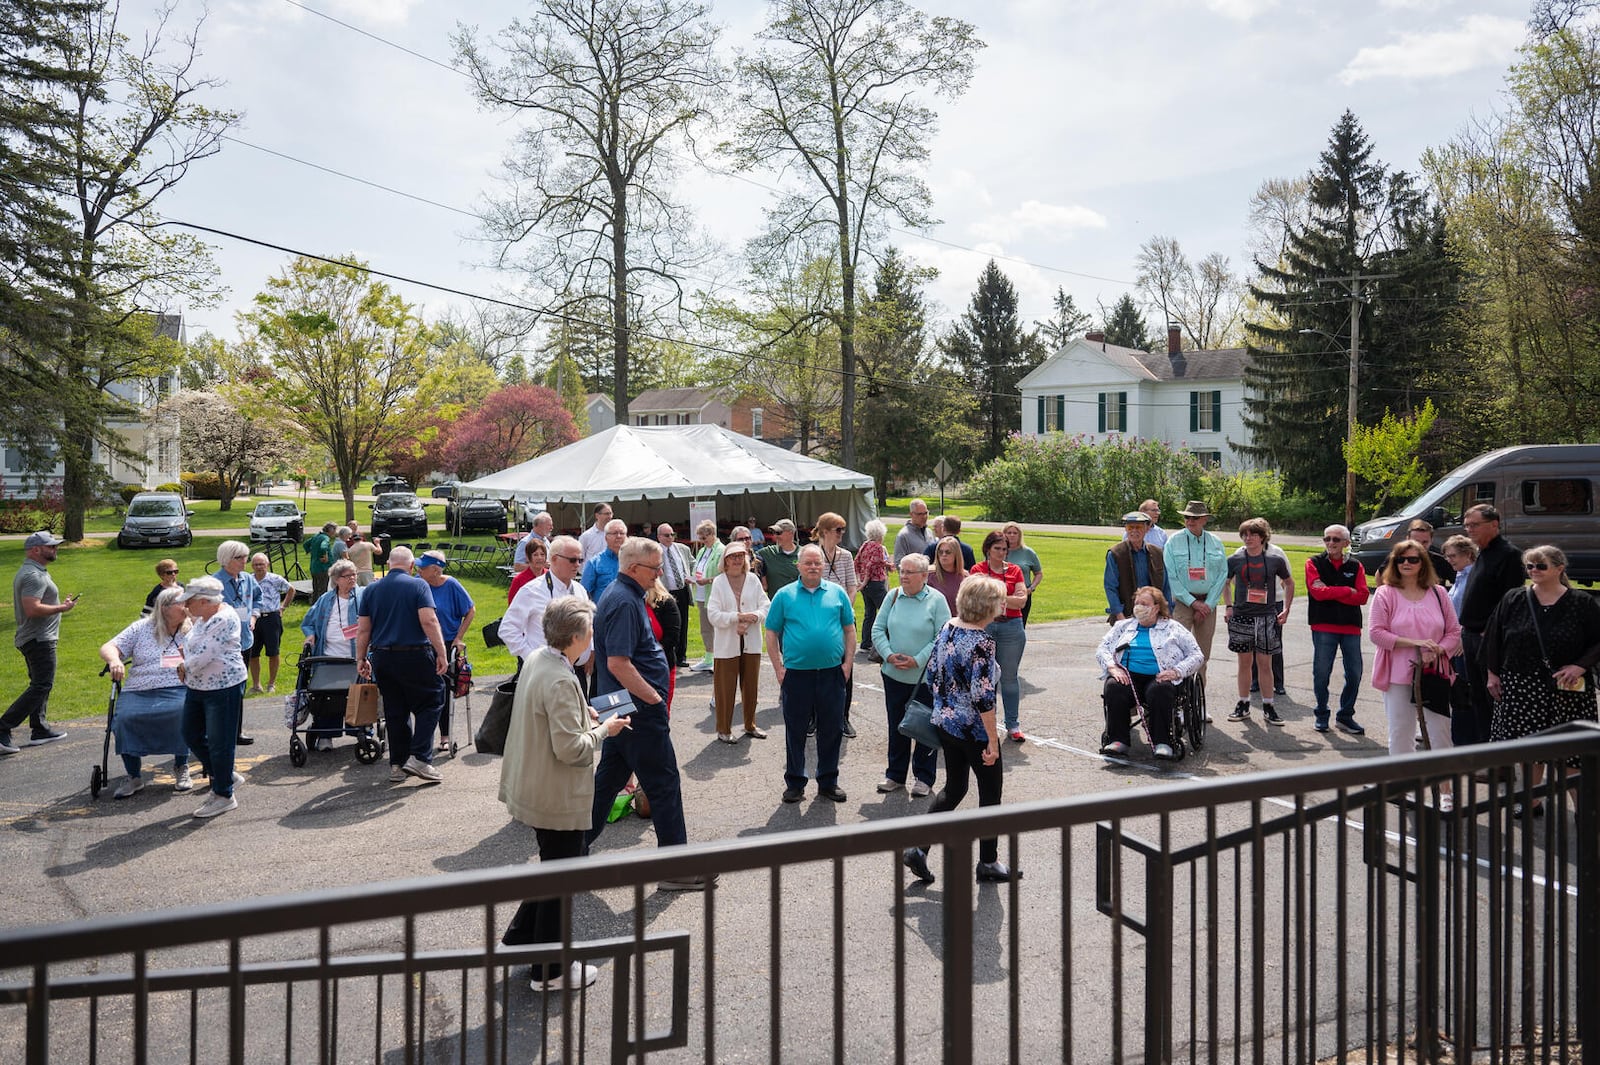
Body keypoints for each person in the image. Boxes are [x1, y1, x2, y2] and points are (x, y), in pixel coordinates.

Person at [498, 597, 631, 991]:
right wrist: (605, 729)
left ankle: (520, 940)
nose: (592, 636)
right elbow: (572, 750)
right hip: (556, 794)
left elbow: (551, 714)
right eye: (589, 630)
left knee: (551, 869)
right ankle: (550, 971)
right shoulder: (560, 677)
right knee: (561, 878)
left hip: (535, 784)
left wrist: (583, 714)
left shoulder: (540, 657)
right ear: (576, 636)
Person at [586, 538, 708, 890]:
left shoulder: (622, 594)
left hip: (618, 703)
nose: (659, 573)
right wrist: (654, 698)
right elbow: (618, 663)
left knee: (608, 781)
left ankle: (570, 854)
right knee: (664, 783)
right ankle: (675, 869)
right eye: (654, 568)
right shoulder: (624, 600)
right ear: (633, 568)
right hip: (635, 707)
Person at [901, 575, 1019, 885]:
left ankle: (919, 848)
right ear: (986, 606)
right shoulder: (982, 641)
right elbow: (983, 698)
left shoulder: (948, 627)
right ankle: (988, 862)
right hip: (972, 730)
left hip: (945, 723)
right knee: (990, 794)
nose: (1003, 604)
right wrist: (993, 740)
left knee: (955, 788)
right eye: (999, 600)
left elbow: (933, 676)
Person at [1483, 545, 1600, 816]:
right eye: (1530, 566)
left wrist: (1580, 666)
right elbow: (1494, 638)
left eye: (1541, 566)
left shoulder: (1580, 603)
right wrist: (1492, 673)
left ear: (1560, 568)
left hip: (1567, 689)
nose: (1534, 571)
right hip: (1521, 686)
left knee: (1571, 753)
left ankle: (1585, 809)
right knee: (1528, 750)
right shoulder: (1514, 598)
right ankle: (1531, 801)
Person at [1369, 539, 1462, 809]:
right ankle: (1403, 786)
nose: (1407, 564)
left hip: (1434, 673)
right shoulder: (1386, 593)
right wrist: (1416, 644)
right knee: (1401, 732)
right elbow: (1376, 633)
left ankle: (1445, 790)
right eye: (1401, 560)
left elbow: (1454, 633)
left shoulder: (1438, 593)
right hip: (1398, 672)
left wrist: (1438, 650)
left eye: (1413, 559)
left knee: (1439, 732)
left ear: (1424, 563)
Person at [766, 544, 856, 805]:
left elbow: (849, 630)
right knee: (795, 730)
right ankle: (795, 782)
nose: (814, 567)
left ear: (823, 566)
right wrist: (778, 668)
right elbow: (771, 633)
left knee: (832, 729)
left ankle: (828, 781)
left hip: (831, 674)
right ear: (799, 565)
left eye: (817, 563)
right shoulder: (784, 596)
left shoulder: (837, 593)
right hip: (797, 675)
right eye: (808, 563)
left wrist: (847, 664)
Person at [355, 546, 449, 785]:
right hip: (415, 653)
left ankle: (397, 764)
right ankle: (419, 756)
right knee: (432, 701)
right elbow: (429, 620)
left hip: (382, 656)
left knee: (395, 710)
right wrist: (441, 652)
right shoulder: (418, 585)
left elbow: (363, 629)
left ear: (388, 564)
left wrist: (361, 658)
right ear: (410, 566)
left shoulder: (371, 589)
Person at [99, 587, 194, 797]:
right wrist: (115, 660)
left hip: (178, 685)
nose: (187, 607)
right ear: (164, 608)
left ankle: (181, 766)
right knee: (124, 718)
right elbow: (109, 646)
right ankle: (134, 776)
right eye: (182, 603)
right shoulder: (141, 628)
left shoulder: (193, 627)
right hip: (139, 688)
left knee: (182, 713)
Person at [871, 552, 950, 797]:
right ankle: (895, 775)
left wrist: (918, 660)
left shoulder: (937, 600)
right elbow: (877, 629)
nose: (903, 576)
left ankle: (924, 778)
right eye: (901, 571)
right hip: (893, 675)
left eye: (909, 572)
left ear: (924, 576)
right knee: (896, 726)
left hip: (924, 679)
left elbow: (942, 636)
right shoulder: (893, 596)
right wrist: (888, 654)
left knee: (925, 727)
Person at [1096, 586, 1204, 759]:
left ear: (1156, 607)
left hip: (1161, 676)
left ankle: (1162, 742)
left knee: (1159, 690)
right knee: (1113, 687)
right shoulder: (1123, 626)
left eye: (1144, 603)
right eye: (1137, 603)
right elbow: (1103, 648)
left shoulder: (1173, 628)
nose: (1138, 607)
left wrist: (1177, 671)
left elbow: (1197, 655)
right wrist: (1112, 667)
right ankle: (1118, 740)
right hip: (1128, 675)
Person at [176, 577, 247, 820]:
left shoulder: (223, 618)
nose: (186, 606)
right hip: (199, 686)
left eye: (190, 601)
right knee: (190, 733)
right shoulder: (203, 617)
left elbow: (205, 654)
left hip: (222, 687)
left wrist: (184, 666)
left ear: (205, 601)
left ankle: (224, 794)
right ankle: (226, 774)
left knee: (220, 741)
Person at [1455, 504, 1524, 746]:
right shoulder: (1482, 553)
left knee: (1492, 697)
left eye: (1474, 525)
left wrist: (1492, 632)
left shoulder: (1509, 555)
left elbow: (1511, 601)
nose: (1469, 530)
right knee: (1477, 697)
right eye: (1467, 525)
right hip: (1470, 635)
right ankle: (1486, 752)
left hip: (1489, 638)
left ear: (1494, 524)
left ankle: (1499, 762)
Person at [1, 530, 74, 753]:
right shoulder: (33, 575)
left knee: (41, 684)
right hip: (38, 639)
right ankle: (3, 727)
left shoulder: (36, 571)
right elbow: (32, 609)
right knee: (41, 684)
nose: (55, 549)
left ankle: (39, 729)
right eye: (50, 546)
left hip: (38, 638)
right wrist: (62, 608)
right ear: (35, 550)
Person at [1223, 518, 1293, 726]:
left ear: (1262, 537)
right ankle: (1243, 704)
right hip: (1242, 616)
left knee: (1265, 664)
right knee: (1244, 663)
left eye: (1253, 534)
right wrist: (1228, 606)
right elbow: (1225, 583)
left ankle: (1269, 705)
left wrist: (1287, 609)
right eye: (1245, 534)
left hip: (1266, 616)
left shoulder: (1274, 559)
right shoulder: (1234, 559)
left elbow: (1289, 582)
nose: (1248, 538)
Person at [1305, 525, 1369, 735]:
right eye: (1327, 539)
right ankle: (1322, 714)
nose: (1331, 543)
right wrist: (1345, 590)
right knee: (1321, 673)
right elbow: (1317, 593)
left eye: (1336, 539)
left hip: (1350, 626)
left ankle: (1345, 716)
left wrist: (1331, 590)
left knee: (1355, 673)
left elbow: (1362, 596)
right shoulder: (1313, 562)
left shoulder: (1356, 565)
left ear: (1346, 543)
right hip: (1323, 625)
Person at [706, 541, 770, 743]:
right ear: (725, 561)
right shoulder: (719, 582)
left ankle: (750, 724)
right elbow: (713, 615)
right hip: (727, 644)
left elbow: (766, 606)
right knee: (725, 687)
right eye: (732, 557)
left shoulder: (752, 579)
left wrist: (754, 616)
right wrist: (737, 618)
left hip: (751, 642)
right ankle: (723, 729)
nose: (736, 560)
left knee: (751, 685)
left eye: (740, 557)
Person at [971, 531, 1030, 743]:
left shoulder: (1015, 570)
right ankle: (986, 724)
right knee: (985, 678)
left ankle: (1013, 725)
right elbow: (978, 599)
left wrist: (995, 596)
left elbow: (1021, 601)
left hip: (1011, 627)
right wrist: (1008, 598)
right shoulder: (977, 570)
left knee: (1009, 677)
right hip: (985, 627)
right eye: (997, 548)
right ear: (988, 549)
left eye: (1005, 549)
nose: (1002, 553)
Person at [415, 552, 477, 753]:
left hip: (447, 642)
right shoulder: (417, 583)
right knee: (422, 690)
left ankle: (445, 735)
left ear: (435, 570)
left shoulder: (451, 585)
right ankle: (420, 737)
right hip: (422, 642)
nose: (418, 570)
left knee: (443, 689)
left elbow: (470, 610)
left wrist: (459, 637)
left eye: (422, 567)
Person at [500, 536, 589, 665]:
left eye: (580, 560)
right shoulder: (531, 590)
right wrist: (531, 657)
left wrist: (589, 653)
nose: (577, 565)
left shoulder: (580, 590)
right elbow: (507, 628)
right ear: (554, 559)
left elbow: (588, 627)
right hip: (544, 670)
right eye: (572, 560)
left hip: (576, 668)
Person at [1164, 500, 1228, 670]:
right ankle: (1179, 693)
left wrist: (1208, 604)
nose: (1190, 521)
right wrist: (1193, 603)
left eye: (1195, 518)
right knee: (1178, 651)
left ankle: (1198, 693)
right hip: (1183, 603)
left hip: (1208, 604)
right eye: (1187, 517)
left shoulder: (1215, 542)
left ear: (1205, 519)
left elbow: (1222, 574)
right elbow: (1171, 576)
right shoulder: (1173, 542)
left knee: (1202, 655)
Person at [815, 512, 860, 736]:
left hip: (843, 617)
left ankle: (843, 717)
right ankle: (814, 717)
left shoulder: (846, 556)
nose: (842, 533)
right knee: (816, 667)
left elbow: (852, 586)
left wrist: (844, 606)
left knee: (846, 667)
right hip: (818, 619)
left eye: (843, 529)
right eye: (838, 530)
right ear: (824, 532)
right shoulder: (813, 554)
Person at [215, 540, 261, 746]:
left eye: (246, 557)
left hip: (245, 642)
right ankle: (218, 733)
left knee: (239, 689)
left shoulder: (248, 580)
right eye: (240, 557)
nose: (245, 561)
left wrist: (254, 617)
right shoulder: (214, 583)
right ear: (226, 560)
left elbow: (258, 599)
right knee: (222, 691)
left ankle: (236, 732)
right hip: (222, 647)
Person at [1105, 511, 1171, 622]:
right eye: (1130, 527)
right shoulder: (1116, 554)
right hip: (1126, 615)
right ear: (1125, 529)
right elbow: (1110, 587)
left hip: (1154, 615)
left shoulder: (1157, 553)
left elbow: (1165, 586)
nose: (1134, 531)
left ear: (1147, 528)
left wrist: (1167, 612)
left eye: (1139, 527)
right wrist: (1119, 616)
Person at [246, 553, 295, 695]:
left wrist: (283, 607)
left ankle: (271, 684)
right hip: (253, 619)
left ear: (267, 565)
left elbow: (291, 590)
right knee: (253, 653)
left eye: (261, 564)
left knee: (273, 652)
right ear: (252, 566)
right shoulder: (248, 579)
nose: (259, 567)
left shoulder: (275, 579)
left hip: (271, 618)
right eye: (256, 564)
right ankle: (256, 685)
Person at [1442, 535, 1477, 719]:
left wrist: (1464, 637)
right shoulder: (1460, 575)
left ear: (1468, 554)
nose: (1449, 560)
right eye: (1447, 556)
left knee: (1464, 688)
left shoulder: (1473, 577)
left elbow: (1471, 610)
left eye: (1453, 556)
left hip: (1465, 641)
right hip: (1454, 639)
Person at [300, 560, 363, 658]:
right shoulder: (326, 599)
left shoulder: (364, 595)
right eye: (347, 576)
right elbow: (308, 622)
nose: (352, 578)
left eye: (354, 574)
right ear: (336, 579)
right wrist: (310, 635)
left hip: (356, 657)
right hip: (329, 656)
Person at [687, 519, 724, 672]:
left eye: (704, 538)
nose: (702, 541)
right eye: (700, 538)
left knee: (717, 628)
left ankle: (718, 659)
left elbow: (724, 574)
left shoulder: (721, 550)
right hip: (702, 594)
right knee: (705, 628)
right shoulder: (703, 550)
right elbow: (698, 568)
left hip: (714, 593)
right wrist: (693, 578)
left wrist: (707, 580)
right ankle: (709, 658)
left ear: (712, 535)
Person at [656, 522, 694, 669]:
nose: (670, 538)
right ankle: (667, 655)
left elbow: (693, 563)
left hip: (682, 590)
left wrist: (690, 576)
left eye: (672, 534)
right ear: (659, 536)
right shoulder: (655, 550)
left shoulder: (682, 549)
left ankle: (681, 656)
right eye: (667, 535)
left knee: (683, 623)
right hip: (665, 593)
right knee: (667, 625)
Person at [642, 577, 682, 707]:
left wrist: (650, 651)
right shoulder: (631, 602)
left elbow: (673, 637)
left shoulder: (666, 602)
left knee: (661, 710)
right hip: (637, 668)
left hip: (662, 665)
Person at [855, 519, 890, 663]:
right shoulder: (877, 547)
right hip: (875, 583)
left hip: (867, 586)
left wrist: (860, 579)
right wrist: (888, 564)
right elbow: (873, 564)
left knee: (869, 613)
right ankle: (883, 643)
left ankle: (865, 643)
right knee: (887, 611)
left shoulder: (865, 545)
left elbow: (856, 561)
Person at [1003, 523, 1044, 627]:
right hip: (1001, 594)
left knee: (1019, 626)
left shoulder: (1028, 552)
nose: (1012, 535)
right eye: (1009, 532)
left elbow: (1038, 573)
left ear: (1019, 535)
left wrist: (1032, 587)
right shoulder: (998, 551)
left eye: (1015, 533)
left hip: (1022, 594)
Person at [581, 519, 626, 602]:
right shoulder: (594, 563)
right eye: (615, 533)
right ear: (606, 538)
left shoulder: (633, 562)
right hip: (603, 613)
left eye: (622, 533)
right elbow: (584, 593)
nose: (619, 536)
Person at [754, 518, 800, 595]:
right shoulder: (767, 553)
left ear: (791, 533)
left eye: (778, 533)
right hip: (775, 604)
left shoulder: (804, 554)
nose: (775, 536)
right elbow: (749, 556)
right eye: (774, 533)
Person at [926, 535, 966, 615]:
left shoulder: (965, 577)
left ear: (956, 554)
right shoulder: (929, 574)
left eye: (948, 552)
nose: (944, 555)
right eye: (940, 552)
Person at [1404, 519, 1451, 586]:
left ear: (1431, 541)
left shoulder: (1441, 562)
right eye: (1416, 541)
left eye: (1425, 542)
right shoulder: (1396, 560)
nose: (1420, 546)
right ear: (1407, 539)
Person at [507, 538, 549, 604]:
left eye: (542, 554)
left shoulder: (550, 576)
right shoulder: (519, 580)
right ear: (528, 557)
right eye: (535, 555)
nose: (539, 558)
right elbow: (512, 605)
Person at [893, 498, 935, 563]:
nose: (924, 517)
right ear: (911, 514)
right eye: (920, 514)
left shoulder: (929, 532)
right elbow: (899, 562)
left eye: (926, 513)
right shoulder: (903, 536)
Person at [304, 522, 337, 601]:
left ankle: (314, 604)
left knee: (315, 588)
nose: (335, 533)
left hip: (314, 567)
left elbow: (305, 544)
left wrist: (309, 551)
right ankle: (322, 605)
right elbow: (323, 547)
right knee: (322, 589)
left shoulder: (316, 536)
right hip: (323, 568)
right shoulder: (325, 538)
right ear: (330, 530)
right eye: (335, 530)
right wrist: (324, 556)